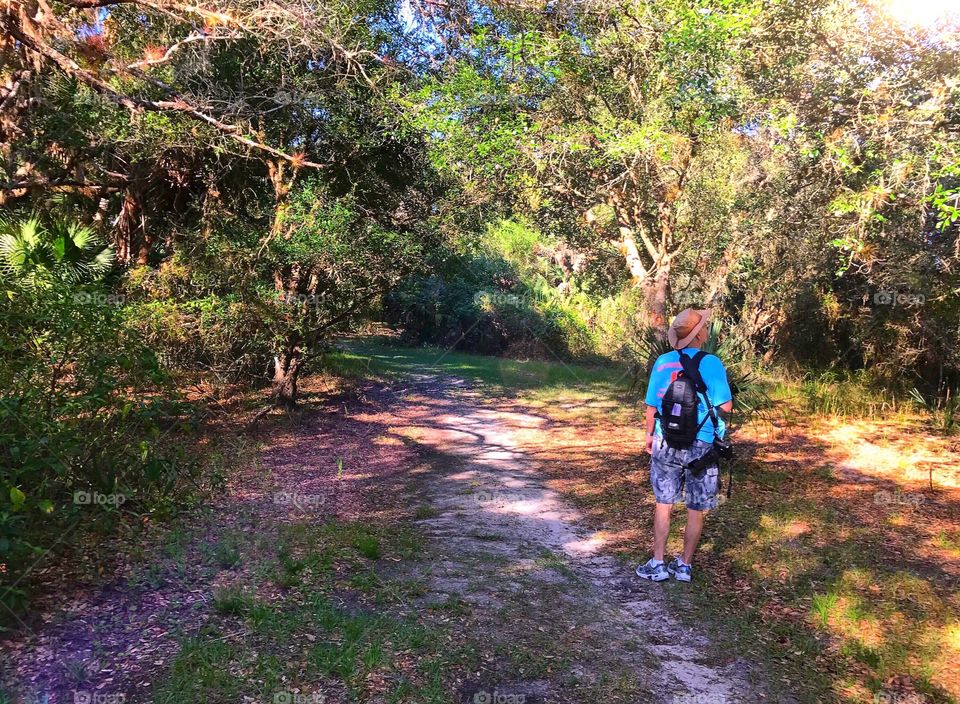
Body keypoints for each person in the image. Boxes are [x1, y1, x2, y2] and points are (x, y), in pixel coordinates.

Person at [635, 308, 733, 583]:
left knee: (664, 503)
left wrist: (648, 436)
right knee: (695, 507)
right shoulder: (712, 363)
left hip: (666, 440)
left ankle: (657, 562)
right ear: (700, 334)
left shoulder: (663, 361)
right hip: (702, 445)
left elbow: (652, 405)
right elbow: (726, 405)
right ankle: (684, 566)